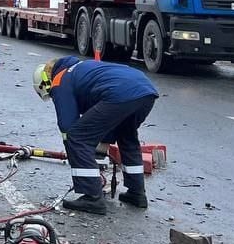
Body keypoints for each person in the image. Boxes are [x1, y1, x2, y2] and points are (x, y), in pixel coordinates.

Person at [32, 56, 158, 214]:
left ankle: (92, 197)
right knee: (127, 136)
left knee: (76, 137)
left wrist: (76, 151)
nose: (53, 97)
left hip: (120, 93)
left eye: (51, 95)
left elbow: (67, 124)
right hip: (145, 91)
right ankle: (137, 193)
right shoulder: (81, 69)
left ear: (45, 82)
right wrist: (99, 142)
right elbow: (102, 118)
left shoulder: (60, 79)